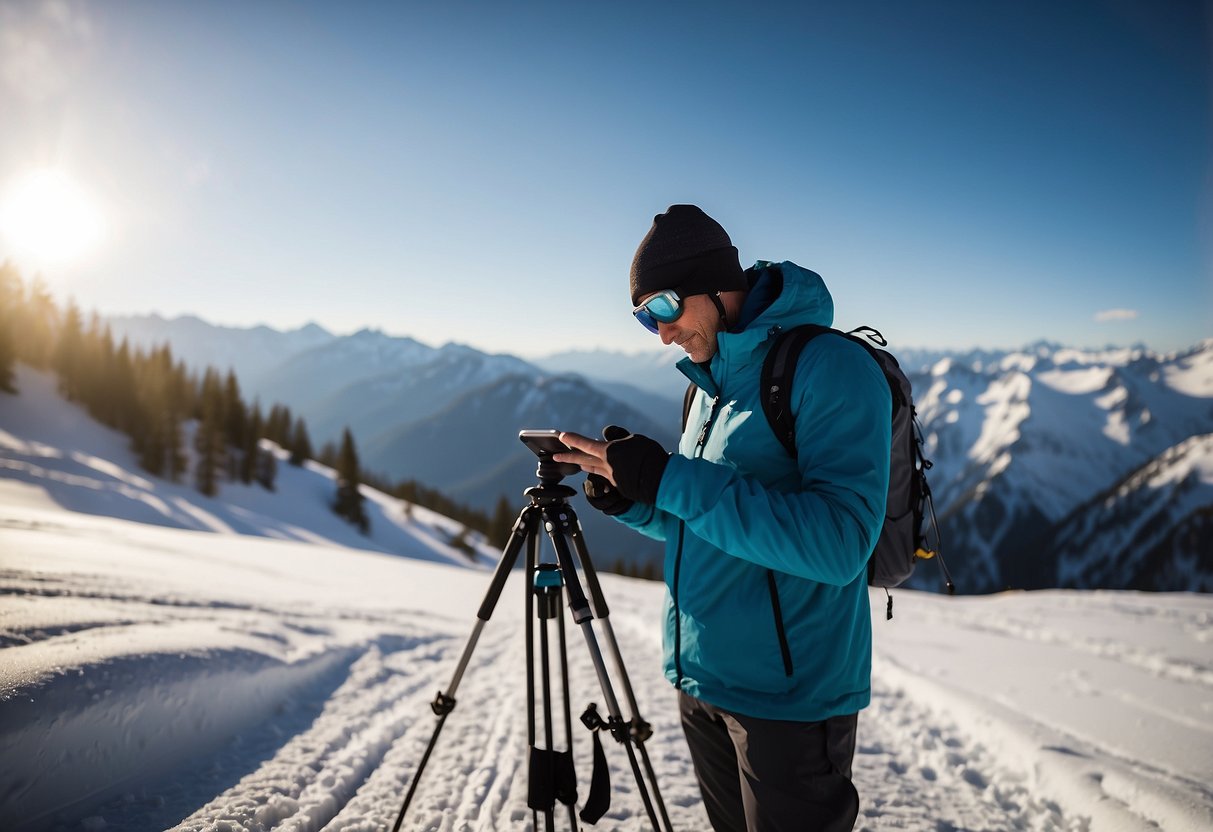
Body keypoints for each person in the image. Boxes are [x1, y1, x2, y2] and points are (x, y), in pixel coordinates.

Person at [555, 204, 890, 832]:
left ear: (714, 286)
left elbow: (841, 544)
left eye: (663, 308)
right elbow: (704, 521)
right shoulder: (710, 384)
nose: (659, 335)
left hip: (787, 698)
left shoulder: (829, 368)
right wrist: (635, 499)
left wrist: (671, 478)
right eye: (642, 316)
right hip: (702, 679)